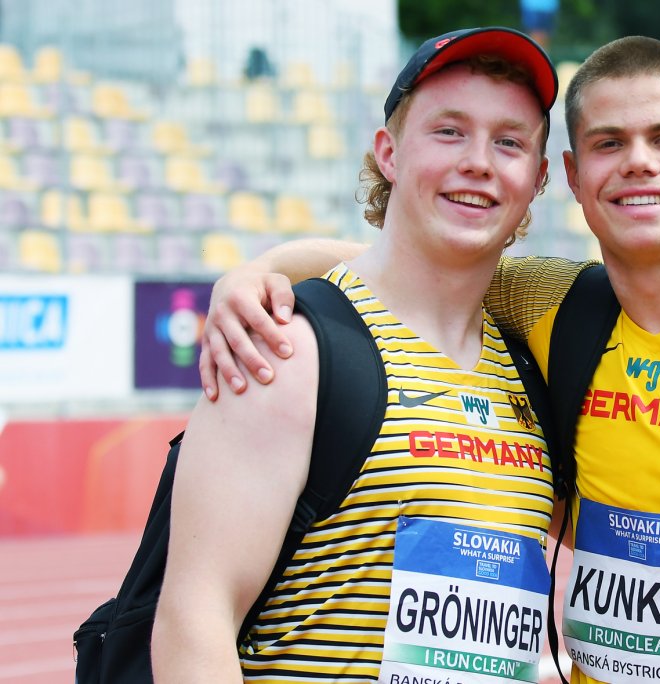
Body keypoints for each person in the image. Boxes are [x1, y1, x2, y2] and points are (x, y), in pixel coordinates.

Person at [201, 36, 660, 683]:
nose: (639, 162)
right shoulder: (554, 306)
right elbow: (406, 264)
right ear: (574, 177)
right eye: (610, 143)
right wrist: (257, 272)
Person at [151, 27, 560, 681]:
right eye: (449, 131)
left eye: (508, 141)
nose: (480, 161)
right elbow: (194, 622)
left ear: (536, 179)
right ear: (389, 153)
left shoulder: (531, 369)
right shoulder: (288, 347)